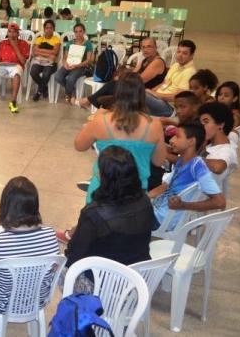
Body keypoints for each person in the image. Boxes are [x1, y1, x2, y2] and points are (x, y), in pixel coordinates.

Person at [75, 72, 167, 203]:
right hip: (136, 194)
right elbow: (158, 161)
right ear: (142, 95)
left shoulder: (101, 120)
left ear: (117, 93)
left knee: (94, 221)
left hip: (102, 190)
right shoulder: (154, 125)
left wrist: (93, 121)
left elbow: (79, 145)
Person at [0, 177, 59, 313]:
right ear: (35, 206)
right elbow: (54, 267)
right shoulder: (50, 235)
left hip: (1, 304)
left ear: (5, 206)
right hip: (36, 302)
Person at [63, 146, 154, 267]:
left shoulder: (93, 213)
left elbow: (74, 256)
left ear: (103, 176)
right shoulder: (145, 200)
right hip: (138, 274)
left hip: (103, 280)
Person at [149, 122, 225, 229]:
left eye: (177, 136)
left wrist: (183, 205)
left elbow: (220, 202)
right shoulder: (182, 161)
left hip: (161, 221)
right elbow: (164, 186)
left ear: (191, 141)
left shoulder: (197, 166)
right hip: (156, 212)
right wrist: (144, 197)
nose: (171, 140)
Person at [79, 37, 166, 110]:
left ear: (155, 48)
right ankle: (96, 108)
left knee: (114, 85)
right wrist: (123, 76)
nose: (145, 50)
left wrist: (122, 78)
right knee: (110, 93)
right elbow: (134, 73)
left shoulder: (157, 62)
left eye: (149, 47)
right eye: (143, 47)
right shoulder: (145, 60)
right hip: (135, 88)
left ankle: (88, 101)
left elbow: (139, 80)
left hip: (145, 93)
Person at [0, 22, 29, 113]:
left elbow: (23, 61)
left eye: (14, 32)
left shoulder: (24, 43)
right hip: (2, 66)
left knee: (17, 74)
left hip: (16, 66)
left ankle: (13, 102)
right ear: (7, 33)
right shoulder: (2, 43)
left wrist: (15, 46)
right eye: (10, 32)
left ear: (18, 33)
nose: (12, 34)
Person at [145, 39, 198, 117]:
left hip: (170, 106)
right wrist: (151, 92)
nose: (180, 55)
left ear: (192, 55)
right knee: (134, 93)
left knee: (137, 93)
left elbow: (180, 98)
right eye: (179, 52)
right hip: (160, 99)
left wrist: (156, 94)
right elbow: (164, 83)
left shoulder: (190, 72)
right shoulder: (176, 65)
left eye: (185, 53)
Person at [198, 102, 238, 190]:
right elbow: (235, 133)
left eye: (206, 122)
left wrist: (195, 159)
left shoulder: (226, 150)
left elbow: (218, 167)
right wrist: (203, 147)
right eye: (200, 123)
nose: (201, 127)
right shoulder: (215, 144)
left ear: (220, 124)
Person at [54, 23, 94, 104]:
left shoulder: (88, 43)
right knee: (57, 76)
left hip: (81, 66)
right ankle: (72, 90)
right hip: (69, 64)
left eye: (80, 31)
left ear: (84, 32)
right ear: (74, 33)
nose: (78, 34)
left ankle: (68, 94)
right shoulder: (70, 43)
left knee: (71, 79)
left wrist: (77, 65)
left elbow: (88, 60)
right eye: (76, 32)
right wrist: (65, 64)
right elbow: (65, 57)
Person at [29, 20, 61, 101]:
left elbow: (55, 52)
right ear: (44, 29)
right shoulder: (39, 39)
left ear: (53, 29)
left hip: (51, 63)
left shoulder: (56, 39)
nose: (49, 30)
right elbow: (34, 51)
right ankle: (44, 87)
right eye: (47, 28)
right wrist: (49, 54)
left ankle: (39, 92)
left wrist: (41, 51)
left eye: (51, 28)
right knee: (33, 72)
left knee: (46, 74)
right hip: (39, 61)